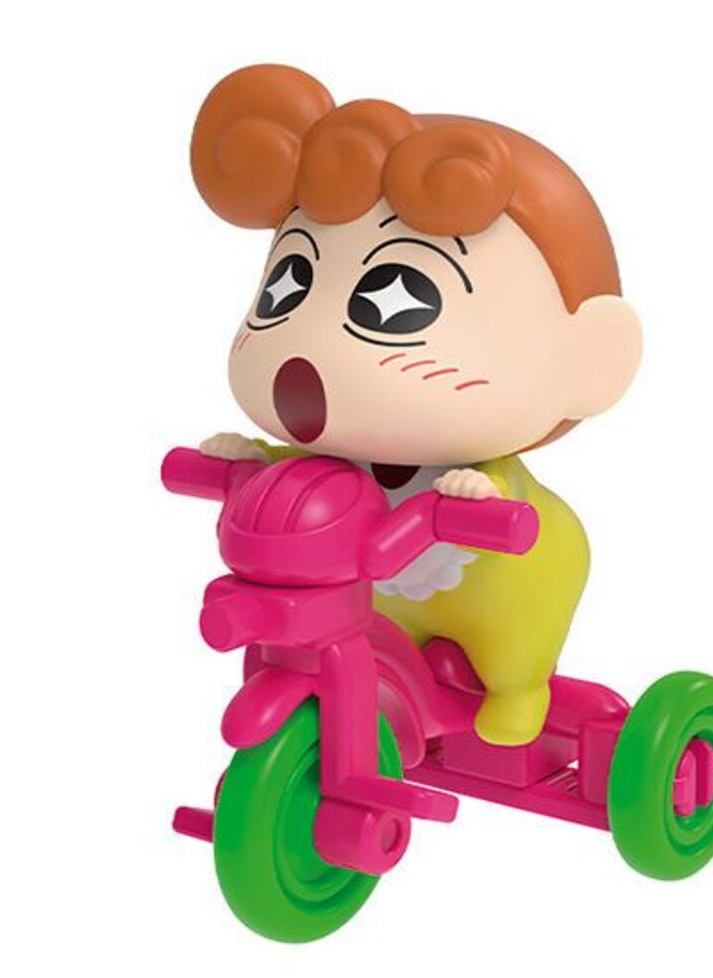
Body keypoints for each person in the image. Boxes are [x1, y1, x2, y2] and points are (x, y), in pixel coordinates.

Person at [191, 65, 642, 745]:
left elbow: (500, 497)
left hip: (503, 578)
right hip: (380, 593)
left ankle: (521, 690)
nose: (310, 346)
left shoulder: (477, 468)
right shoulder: (338, 450)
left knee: (508, 641)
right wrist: (256, 460)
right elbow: (308, 473)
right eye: (290, 284)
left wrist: (480, 492)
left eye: (397, 301)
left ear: (590, 357)